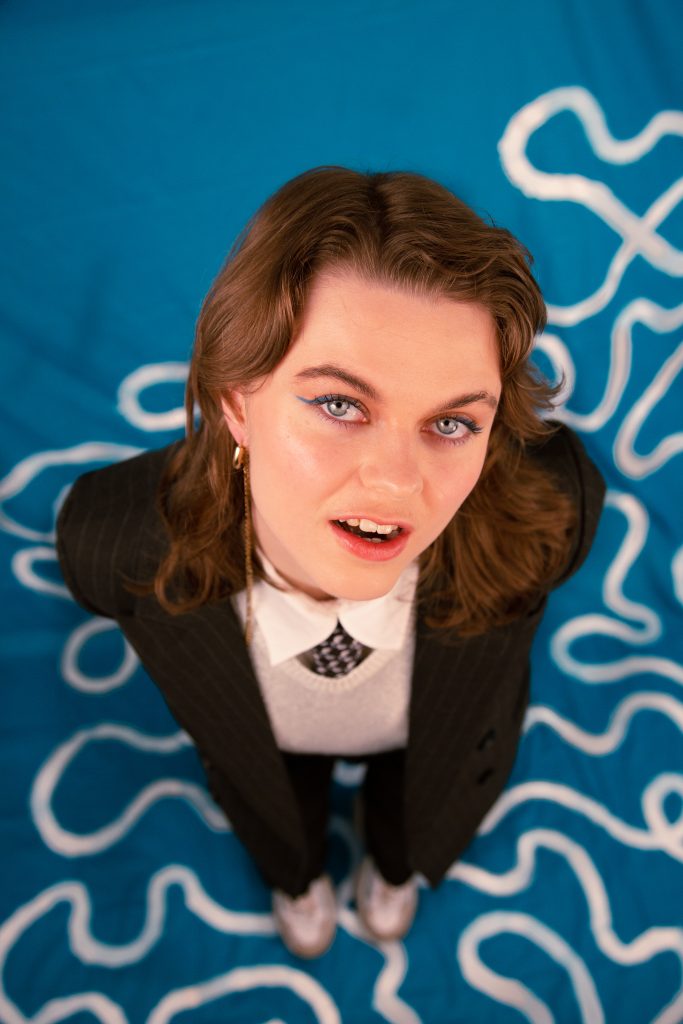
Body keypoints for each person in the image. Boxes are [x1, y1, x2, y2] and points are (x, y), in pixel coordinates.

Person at [56, 165, 605, 958]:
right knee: (280, 805)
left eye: (451, 422)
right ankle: (296, 876)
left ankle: (393, 867)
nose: (397, 483)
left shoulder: (554, 516)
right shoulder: (109, 544)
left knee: (416, 802)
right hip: (269, 754)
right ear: (236, 400)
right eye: (340, 404)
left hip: (427, 745)